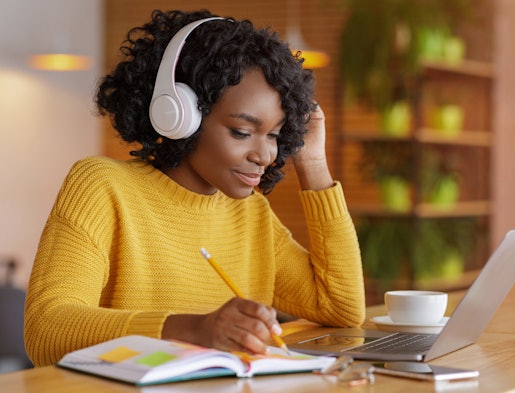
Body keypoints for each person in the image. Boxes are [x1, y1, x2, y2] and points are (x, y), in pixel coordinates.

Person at [24, 9, 365, 367]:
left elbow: (342, 308)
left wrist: (312, 163)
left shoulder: (251, 213)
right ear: (180, 115)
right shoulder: (102, 187)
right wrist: (193, 330)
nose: (265, 154)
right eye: (242, 132)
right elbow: (47, 330)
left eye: (276, 136)